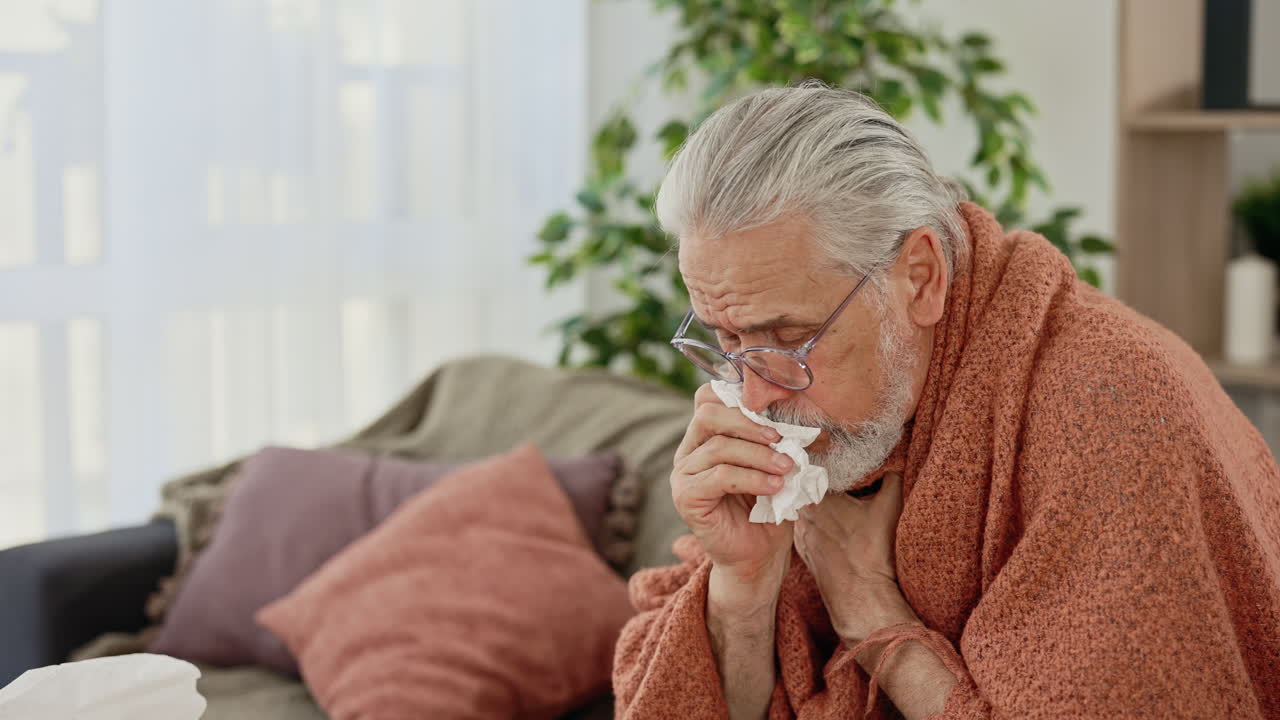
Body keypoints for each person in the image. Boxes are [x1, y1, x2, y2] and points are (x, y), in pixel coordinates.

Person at [613, 83, 1280, 719]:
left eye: (787, 339)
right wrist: (743, 586)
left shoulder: (1111, 413)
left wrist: (875, 619)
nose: (755, 394)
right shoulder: (815, 417)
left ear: (921, 278)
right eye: (727, 341)